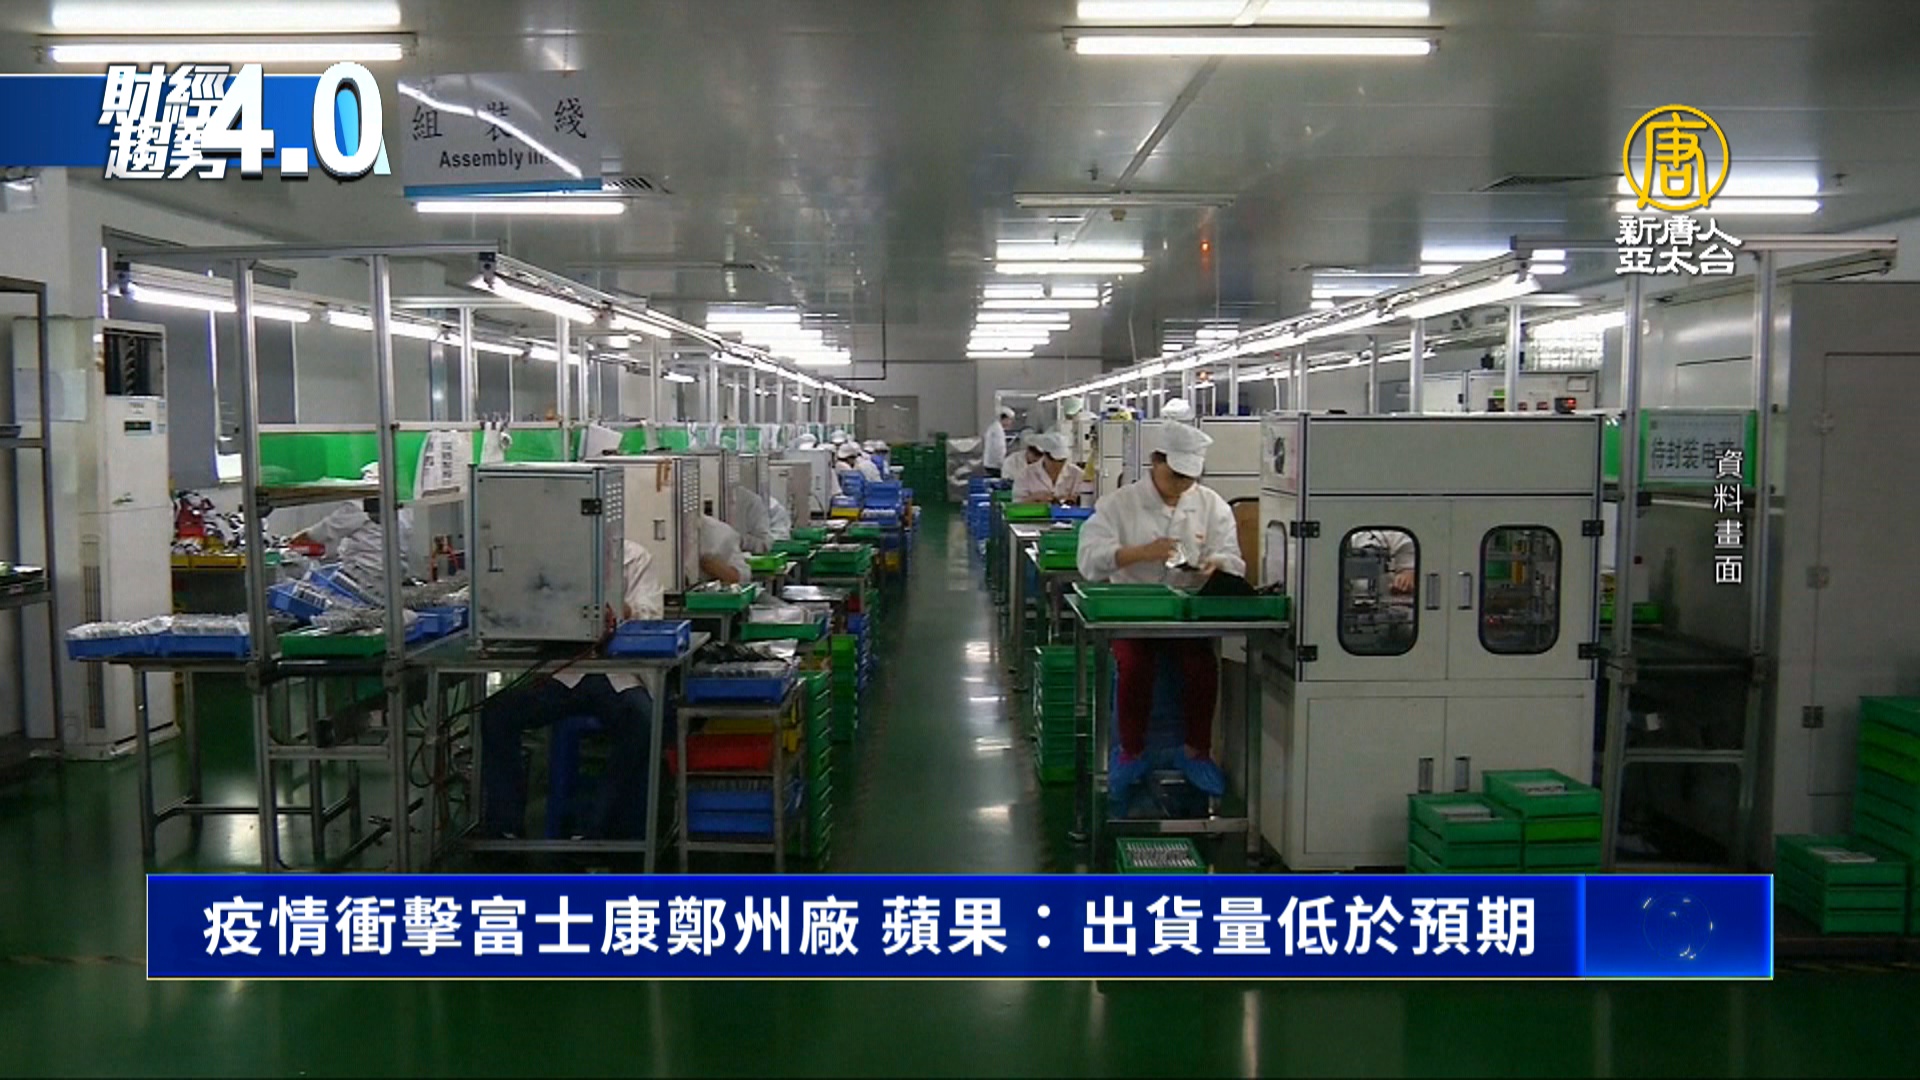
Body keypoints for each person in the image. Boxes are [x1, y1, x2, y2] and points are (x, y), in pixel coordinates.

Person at [1077, 422, 1244, 807]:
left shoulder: (1211, 505)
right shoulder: (1120, 504)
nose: (1181, 485)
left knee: (1201, 668)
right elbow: (1088, 560)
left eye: (1189, 478)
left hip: (1186, 614)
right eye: (1175, 475)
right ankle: (1131, 753)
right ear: (1155, 461)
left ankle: (1197, 752)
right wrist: (1139, 553)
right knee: (1135, 666)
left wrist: (1216, 565)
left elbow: (1234, 558)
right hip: (1132, 611)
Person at [481, 539, 662, 840]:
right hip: (564, 675)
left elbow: (652, 615)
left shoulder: (634, 558)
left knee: (644, 722)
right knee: (497, 713)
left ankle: (596, 826)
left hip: (618, 675)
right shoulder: (552, 556)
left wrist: (621, 611)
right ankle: (505, 828)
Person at [289, 462, 415, 600]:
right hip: (395, 576)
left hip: (364, 576)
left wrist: (292, 540)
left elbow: (321, 532)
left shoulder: (361, 504)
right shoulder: (403, 506)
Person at [1013, 433, 1085, 504]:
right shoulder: (1025, 475)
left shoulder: (1078, 474)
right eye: (1053, 460)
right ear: (1044, 455)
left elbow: (1084, 501)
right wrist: (1034, 498)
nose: (1057, 465)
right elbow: (1016, 505)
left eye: (1062, 460)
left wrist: (1069, 501)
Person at [981, 405, 1016, 479]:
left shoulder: (994, 427)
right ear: (1005, 418)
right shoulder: (997, 430)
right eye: (1010, 420)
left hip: (991, 464)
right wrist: (1003, 464)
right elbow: (999, 449)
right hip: (994, 466)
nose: (1010, 423)